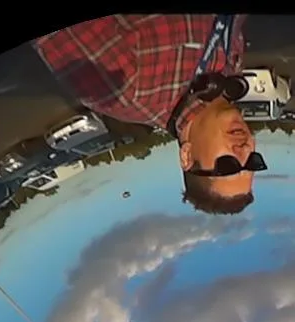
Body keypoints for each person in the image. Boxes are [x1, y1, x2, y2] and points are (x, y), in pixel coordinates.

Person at [32, 15, 264, 215]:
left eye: (227, 165)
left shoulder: (122, 89)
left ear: (187, 156)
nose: (243, 150)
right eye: (253, 161)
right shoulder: (231, 71)